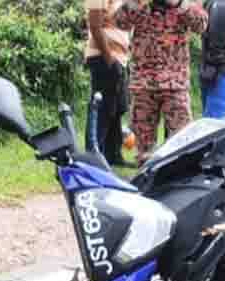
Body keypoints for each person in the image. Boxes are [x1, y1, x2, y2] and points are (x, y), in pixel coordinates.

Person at [113, 0, 207, 162]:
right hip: (144, 84)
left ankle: (178, 182)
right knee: (144, 150)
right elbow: (119, 22)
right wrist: (137, 3)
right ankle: (147, 183)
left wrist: (178, 3)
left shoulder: (182, 4)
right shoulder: (140, 5)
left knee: (182, 141)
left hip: (175, 83)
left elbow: (201, 25)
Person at [84, 0, 131, 166]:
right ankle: (95, 156)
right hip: (103, 57)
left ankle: (113, 156)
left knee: (117, 108)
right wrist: (110, 60)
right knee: (103, 109)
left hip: (120, 58)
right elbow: (95, 27)